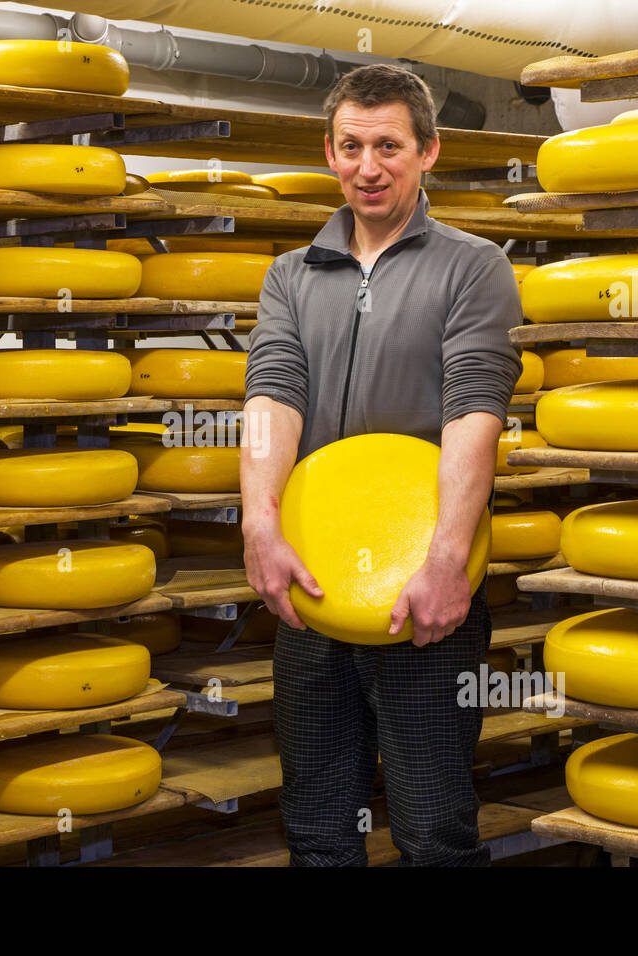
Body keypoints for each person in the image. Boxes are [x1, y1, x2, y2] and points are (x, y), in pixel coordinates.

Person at [240, 63, 524, 867]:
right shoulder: (291, 276)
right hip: (311, 585)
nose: (370, 167)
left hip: (422, 591)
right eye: (352, 146)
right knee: (318, 823)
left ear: (428, 152)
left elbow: (476, 413)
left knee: (433, 827)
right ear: (329, 153)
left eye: (390, 146)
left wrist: (445, 562)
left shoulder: (472, 267)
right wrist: (260, 527)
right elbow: (270, 403)